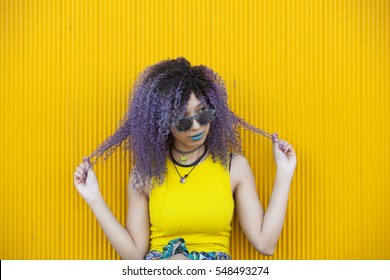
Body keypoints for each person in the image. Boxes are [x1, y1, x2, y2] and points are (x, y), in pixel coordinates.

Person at [73, 57, 297, 260]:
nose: (197, 126)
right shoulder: (144, 174)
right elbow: (134, 256)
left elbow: (265, 244)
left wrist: (285, 173)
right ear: (162, 125)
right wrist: (94, 197)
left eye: (204, 113)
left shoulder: (233, 167)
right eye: (183, 121)